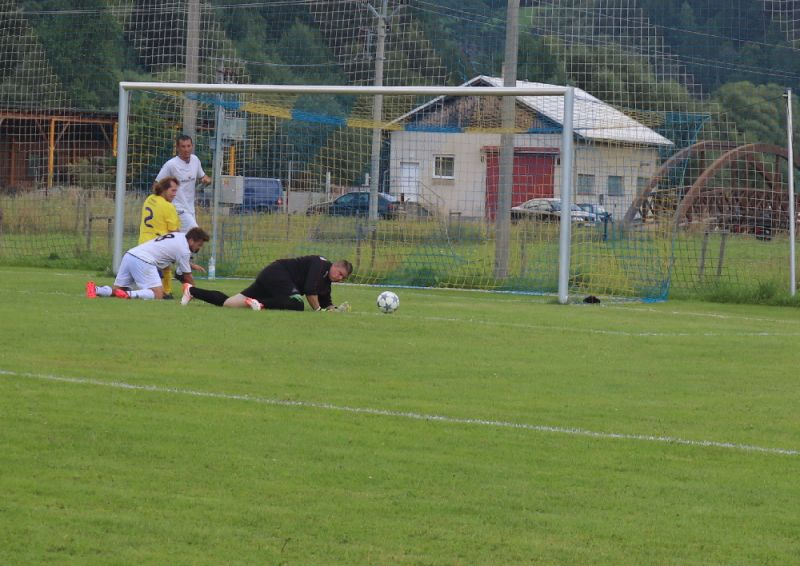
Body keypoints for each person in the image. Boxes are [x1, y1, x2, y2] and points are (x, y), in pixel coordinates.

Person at [181, 255, 353, 312]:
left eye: (343, 278)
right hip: (277, 273)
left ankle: (192, 291)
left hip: (272, 279)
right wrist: (318, 311)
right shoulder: (320, 263)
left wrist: (335, 310)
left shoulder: (326, 282)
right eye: (340, 273)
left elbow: (326, 302)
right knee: (297, 304)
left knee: (229, 304)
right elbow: (309, 290)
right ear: (335, 265)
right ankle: (260, 304)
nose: (339, 278)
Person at [86, 228, 210, 301]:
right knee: (158, 294)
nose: (198, 248)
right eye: (199, 245)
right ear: (191, 240)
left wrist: (191, 265)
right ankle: (128, 295)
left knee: (118, 290)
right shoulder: (184, 249)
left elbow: (173, 253)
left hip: (130, 255)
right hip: (143, 260)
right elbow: (187, 276)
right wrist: (196, 292)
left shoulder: (180, 236)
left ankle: (96, 289)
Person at [155, 135, 211, 231]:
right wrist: (164, 201)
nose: (186, 149)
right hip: (177, 208)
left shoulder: (195, 160)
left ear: (192, 146)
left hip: (190, 209)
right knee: (195, 234)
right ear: (177, 148)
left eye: (188, 146)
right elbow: (156, 184)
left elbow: (203, 176)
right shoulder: (171, 165)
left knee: (183, 241)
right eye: (183, 146)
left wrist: (207, 180)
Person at [139, 176, 180, 297]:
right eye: (173, 191)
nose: (175, 194)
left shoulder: (149, 199)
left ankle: (166, 291)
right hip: (156, 246)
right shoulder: (168, 207)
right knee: (162, 270)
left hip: (142, 243)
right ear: (164, 190)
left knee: (165, 268)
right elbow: (174, 231)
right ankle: (163, 292)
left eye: (176, 191)